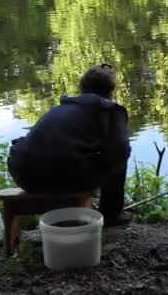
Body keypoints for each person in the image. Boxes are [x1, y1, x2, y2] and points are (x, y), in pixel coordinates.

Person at [8, 63, 132, 225]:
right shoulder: (109, 110)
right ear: (110, 91)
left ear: (82, 88)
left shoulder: (61, 108)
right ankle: (111, 213)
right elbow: (120, 150)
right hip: (62, 177)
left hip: (23, 174)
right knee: (119, 156)